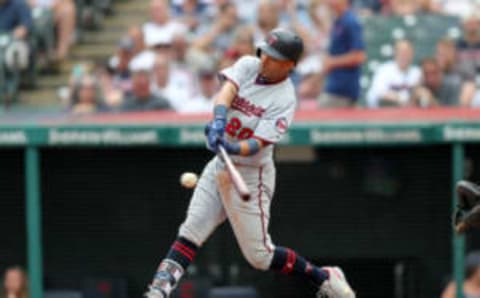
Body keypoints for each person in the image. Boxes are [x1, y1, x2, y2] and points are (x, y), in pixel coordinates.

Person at [144, 28, 355, 298]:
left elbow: (258, 143)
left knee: (260, 256)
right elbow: (226, 92)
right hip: (221, 165)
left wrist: (233, 147)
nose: (265, 60)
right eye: (265, 53)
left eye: (274, 58)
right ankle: (159, 291)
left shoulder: (285, 99)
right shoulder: (248, 65)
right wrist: (219, 119)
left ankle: (323, 276)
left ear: (290, 65)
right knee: (191, 230)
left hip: (251, 175)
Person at [318, 0, 366, 108]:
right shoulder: (338, 20)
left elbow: (359, 56)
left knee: (322, 117)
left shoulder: (350, 21)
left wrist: (332, 62)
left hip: (343, 88)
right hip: (335, 84)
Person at [366, 40, 421, 108]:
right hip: (384, 112)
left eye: (407, 53)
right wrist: (400, 99)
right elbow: (379, 93)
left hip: (410, 113)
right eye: (401, 52)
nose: (404, 56)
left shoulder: (417, 72)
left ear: (412, 54)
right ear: (395, 53)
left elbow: (419, 94)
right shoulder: (384, 69)